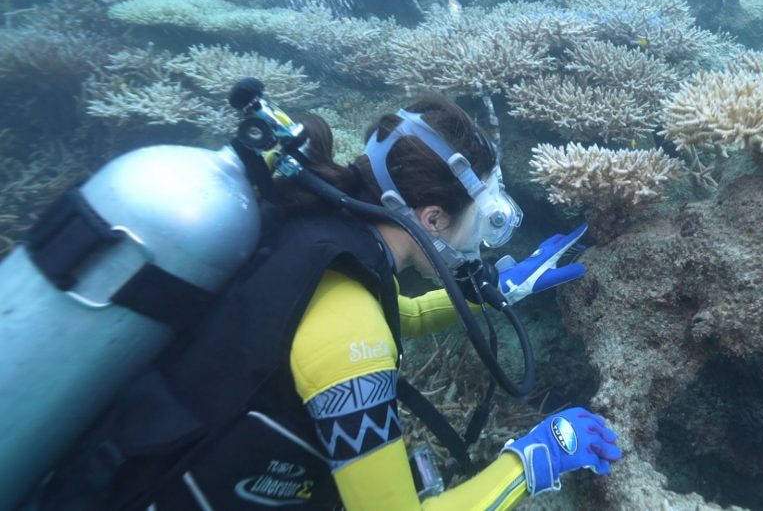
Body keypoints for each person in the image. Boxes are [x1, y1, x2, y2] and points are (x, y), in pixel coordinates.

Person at [34, 97, 620, 510]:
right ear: (432, 218)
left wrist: (498, 290)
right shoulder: (349, 337)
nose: (483, 237)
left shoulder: (320, 233)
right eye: (483, 219)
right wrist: (532, 460)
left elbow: (396, 316)